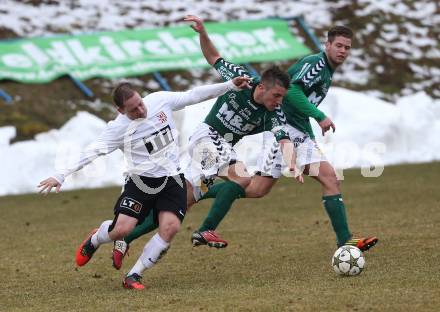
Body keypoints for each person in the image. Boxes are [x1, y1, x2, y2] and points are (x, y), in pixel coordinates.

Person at [110, 14, 303, 270]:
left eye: (282, 97)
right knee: (244, 178)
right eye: (276, 95)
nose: (279, 101)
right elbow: (214, 58)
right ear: (262, 88)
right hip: (207, 137)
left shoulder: (274, 111)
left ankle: (124, 239)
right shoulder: (241, 80)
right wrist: (202, 32)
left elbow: (283, 138)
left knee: (180, 205)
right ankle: (206, 229)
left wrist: (292, 163)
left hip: (217, 150)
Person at [38, 76, 251, 290]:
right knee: (121, 230)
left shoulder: (160, 100)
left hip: (172, 179)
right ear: (121, 111)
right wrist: (61, 175)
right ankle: (96, 238)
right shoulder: (117, 129)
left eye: (140, 103)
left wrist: (229, 85)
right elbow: (91, 152)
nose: (141, 110)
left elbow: (193, 95)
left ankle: (134, 275)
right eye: (133, 110)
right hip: (140, 182)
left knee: (171, 227)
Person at [189, 24, 379, 251]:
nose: (343, 51)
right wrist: (319, 116)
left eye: (347, 47)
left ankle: (202, 192)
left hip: (297, 130)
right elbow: (294, 92)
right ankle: (345, 240)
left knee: (257, 189)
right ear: (327, 45)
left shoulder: (327, 69)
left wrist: (307, 133)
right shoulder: (316, 65)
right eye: (338, 45)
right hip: (284, 129)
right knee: (328, 178)